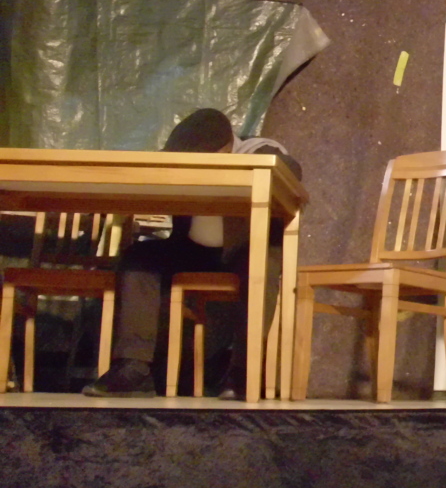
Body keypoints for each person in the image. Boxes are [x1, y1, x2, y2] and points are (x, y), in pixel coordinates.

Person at [83, 108, 299, 399]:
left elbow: (291, 174)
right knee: (140, 258)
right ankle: (133, 366)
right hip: (194, 251)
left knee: (262, 265)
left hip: (245, 250)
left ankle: (242, 372)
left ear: (226, 148)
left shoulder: (259, 150)